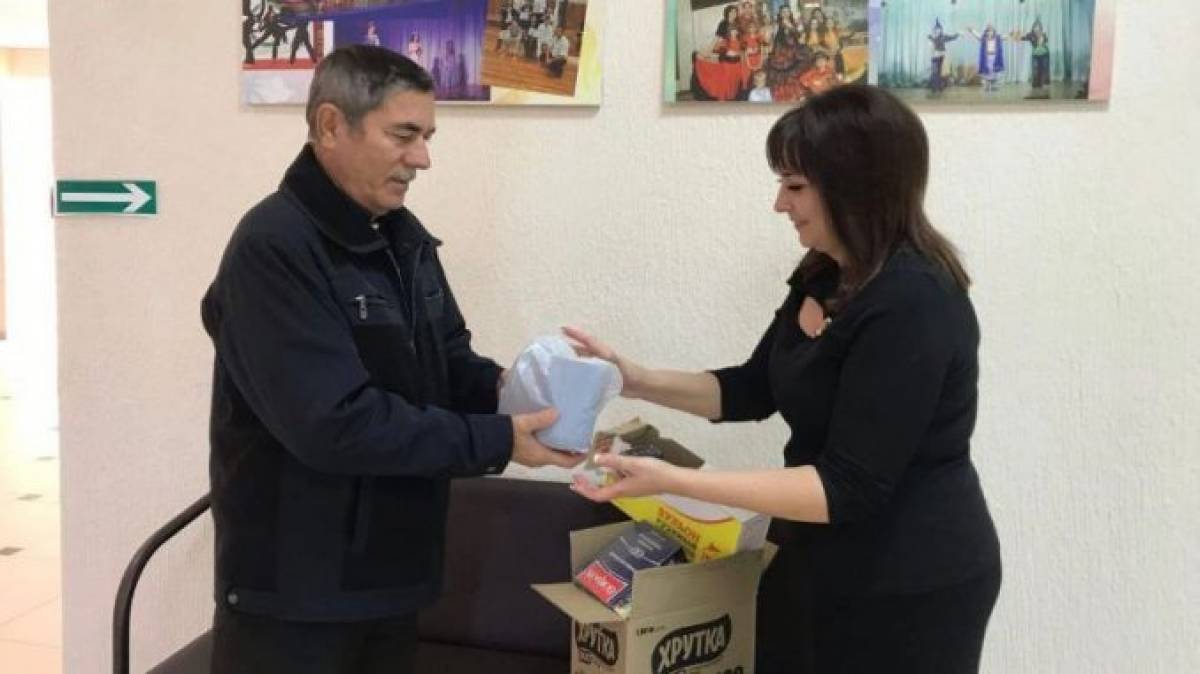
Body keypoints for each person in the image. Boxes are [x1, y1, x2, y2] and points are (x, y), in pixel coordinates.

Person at [569, 84, 1001, 674]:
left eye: (794, 187)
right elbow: (751, 389)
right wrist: (634, 378)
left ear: (856, 185)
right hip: (816, 562)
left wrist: (675, 482)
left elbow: (846, 487)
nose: (779, 204)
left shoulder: (913, 300)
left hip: (911, 581)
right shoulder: (824, 273)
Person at [202, 45, 582, 674]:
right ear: (330, 125)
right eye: (404, 135)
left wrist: (515, 393)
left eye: (427, 137)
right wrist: (498, 440)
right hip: (297, 597)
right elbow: (334, 424)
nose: (423, 159)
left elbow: (447, 362)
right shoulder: (273, 248)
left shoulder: (404, 238)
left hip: (393, 581)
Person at [927, 18, 960, 95]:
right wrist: (932, 49)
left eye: (939, 29)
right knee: (935, 72)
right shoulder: (931, 37)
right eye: (936, 29)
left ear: (941, 30)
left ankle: (938, 87)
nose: (938, 30)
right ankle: (935, 88)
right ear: (934, 30)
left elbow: (952, 37)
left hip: (941, 56)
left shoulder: (943, 36)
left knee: (939, 72)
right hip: (934, 56)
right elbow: (931, 46)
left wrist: (958, 34)